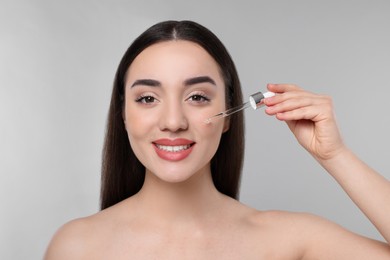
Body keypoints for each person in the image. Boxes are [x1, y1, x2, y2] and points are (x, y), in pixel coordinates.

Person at [44, 20, 390, 259]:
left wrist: (335, 155)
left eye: (197, 97)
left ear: (229, 115)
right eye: (148, 98)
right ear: (123, 115)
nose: (174, 122)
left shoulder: (288, 240)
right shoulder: (76, 247)